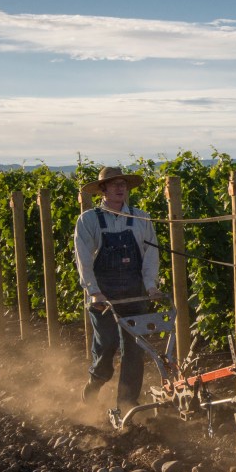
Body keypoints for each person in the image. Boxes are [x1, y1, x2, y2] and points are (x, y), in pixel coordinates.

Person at [73, 167, 161, 417]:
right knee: (107, 344)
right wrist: (93, 291)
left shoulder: (141, 218)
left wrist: (151, 285)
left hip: (134, 293)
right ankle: (96, 381)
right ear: (103, 190)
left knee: (135, 348)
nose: (120, 188)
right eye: (114, 185)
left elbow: (151, 255)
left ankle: (127, 402)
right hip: (104, 296)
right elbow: (83, 259)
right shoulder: (89, 220)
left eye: (123, 184)